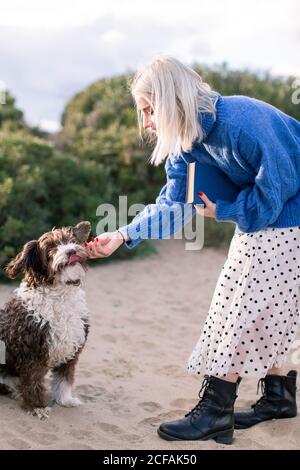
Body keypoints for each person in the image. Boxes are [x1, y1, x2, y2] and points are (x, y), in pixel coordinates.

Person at [85, 56, 300, 444]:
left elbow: (279, 186)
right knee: (250, 301)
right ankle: (279, 398)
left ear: (170, 100)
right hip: (266, 221)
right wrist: (121, 235)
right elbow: (173, 207)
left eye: (150, 111)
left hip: (290, 217)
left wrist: (229, 211)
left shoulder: (240, 122)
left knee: (241, 307)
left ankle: (216, 411)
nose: (147, 123)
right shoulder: (187, 145)